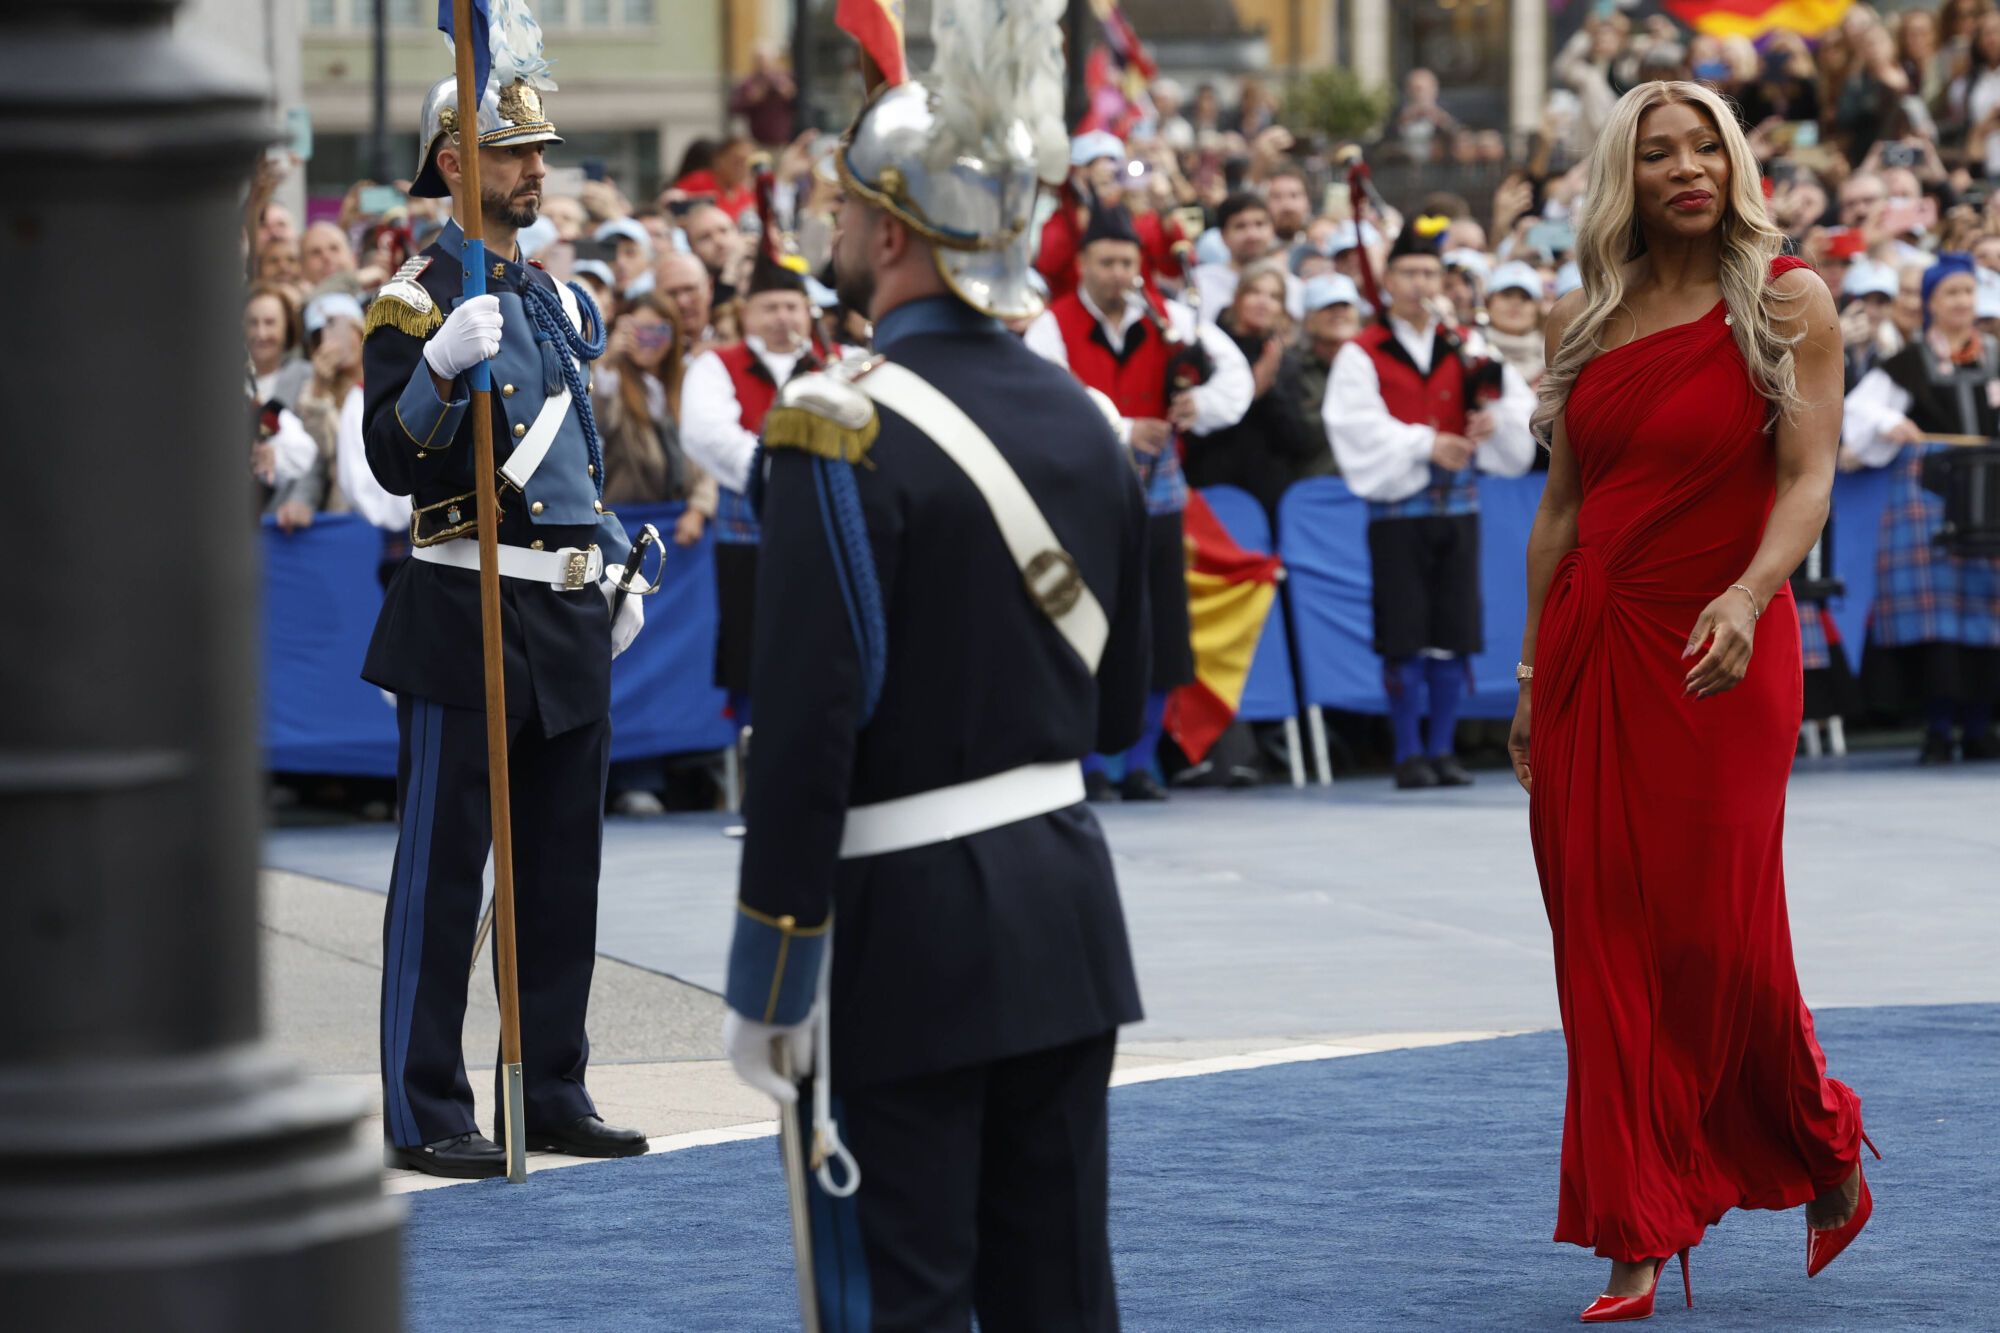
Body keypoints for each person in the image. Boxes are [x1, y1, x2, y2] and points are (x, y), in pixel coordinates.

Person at [719, 13, 1149, 1320]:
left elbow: (802, 724)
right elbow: (1123, 705)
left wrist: (775, 974)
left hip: (904, 933)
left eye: (846, 213)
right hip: (1068, 908)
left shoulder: (833, 430)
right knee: (1059, 1294)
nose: (834, 235)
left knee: (900, 1296)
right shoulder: (1084, 418)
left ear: (896, 234)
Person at [1512, 81, 1876, 1322]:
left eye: (1702, 148)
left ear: (1732, 165)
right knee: (1602, 942)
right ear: (1625, 173)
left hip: (1725, 643)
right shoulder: (1581, 318)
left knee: (1716, 935)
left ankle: (1817, 1136)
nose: (1684, 168)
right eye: (1657, 152)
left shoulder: (1787, 303)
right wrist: (1525, 670)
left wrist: (1747, 591)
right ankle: (1637, 1226)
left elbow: (1808, 475)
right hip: (1587, 653)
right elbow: (1557, 515)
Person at [359, 69, 650, 1179]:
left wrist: (610, 561)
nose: (539, 167)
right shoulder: (417, 297)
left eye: (541, 149)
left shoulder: (556, 301)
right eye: (516, 150)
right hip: (462, 601)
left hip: (564, 608)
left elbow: (578, 455)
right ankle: (423, 1102)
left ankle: (554, 1081)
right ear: (453, 164)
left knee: (559, 870)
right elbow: (394, 462)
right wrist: (433, 368)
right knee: (443, 874)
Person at [1023, 199, 1252, 800]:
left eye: (1127, 261)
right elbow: (1046, 399)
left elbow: (1236, 377)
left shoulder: (1171, 317)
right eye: (1106, 261)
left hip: (1160, 497)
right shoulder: (1053, 324)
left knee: (1161, 629)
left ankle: (1144, 763)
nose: (1119, 273)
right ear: (1081, 263)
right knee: (1089, 625)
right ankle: (1092, 764)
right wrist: (1124, 428)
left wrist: (1197, 407)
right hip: (1084, 496)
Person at [1323, 215, 1536, 788]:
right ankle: (1408, 752)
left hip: (1459, 510)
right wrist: (1425, 443)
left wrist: (1493, 422)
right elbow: (1354, 425)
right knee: (1405, 632)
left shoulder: (1466, 346)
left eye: (1429, 272)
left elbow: (1517, 406)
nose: (1420, 284)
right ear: (1387, 280)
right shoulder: (1362, 352)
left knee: (1454, 631)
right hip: (1397, 517)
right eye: (1409, 272)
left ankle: (1442, 750)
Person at [1842, 253, 2000, 762]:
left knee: (1987, 617)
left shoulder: (1995, 356)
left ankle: (1979, 728)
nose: (1961, 302)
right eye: (1951, 293)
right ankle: (1937, 729)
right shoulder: (1909, 362)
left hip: (1990, 502)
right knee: (1937, 625)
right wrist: (1889, 423)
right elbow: (1859, 409)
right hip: (1929, 503)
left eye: (1967, 294)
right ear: (1931, 302)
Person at [679, 198, 823, 729]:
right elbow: (707, 435)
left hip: (822, 532)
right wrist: (785, 476)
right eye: (772, 307)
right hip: (751, 535)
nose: (784, 317)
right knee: (757, 651)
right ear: (747, 312)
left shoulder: (836, 363)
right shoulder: (716, 364)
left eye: (793, 306)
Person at [1182, 260, 1322, 524]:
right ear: (1238, 298)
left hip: (1268, 492)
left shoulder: (1285, 361)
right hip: (1213, 484)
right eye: (1255, 292)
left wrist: (1270, 391)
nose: (1263, 302)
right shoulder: (1208, 352)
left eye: (1273, 297)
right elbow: (1192, 428)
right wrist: (1249, 393)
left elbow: (1297, 440)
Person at [1193, 191, 1305, 325]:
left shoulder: (1292, 287)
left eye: (1259, 224)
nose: (1252, 235)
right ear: (1223, 236)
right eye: (1240, 226)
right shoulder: (1200, 283)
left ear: (1272, 230)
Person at [655, 250, 717, 349]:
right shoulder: (649, 356)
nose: (682, 302)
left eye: (690, 289)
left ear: (710, 288)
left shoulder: (736, 339)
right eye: (672, 293)